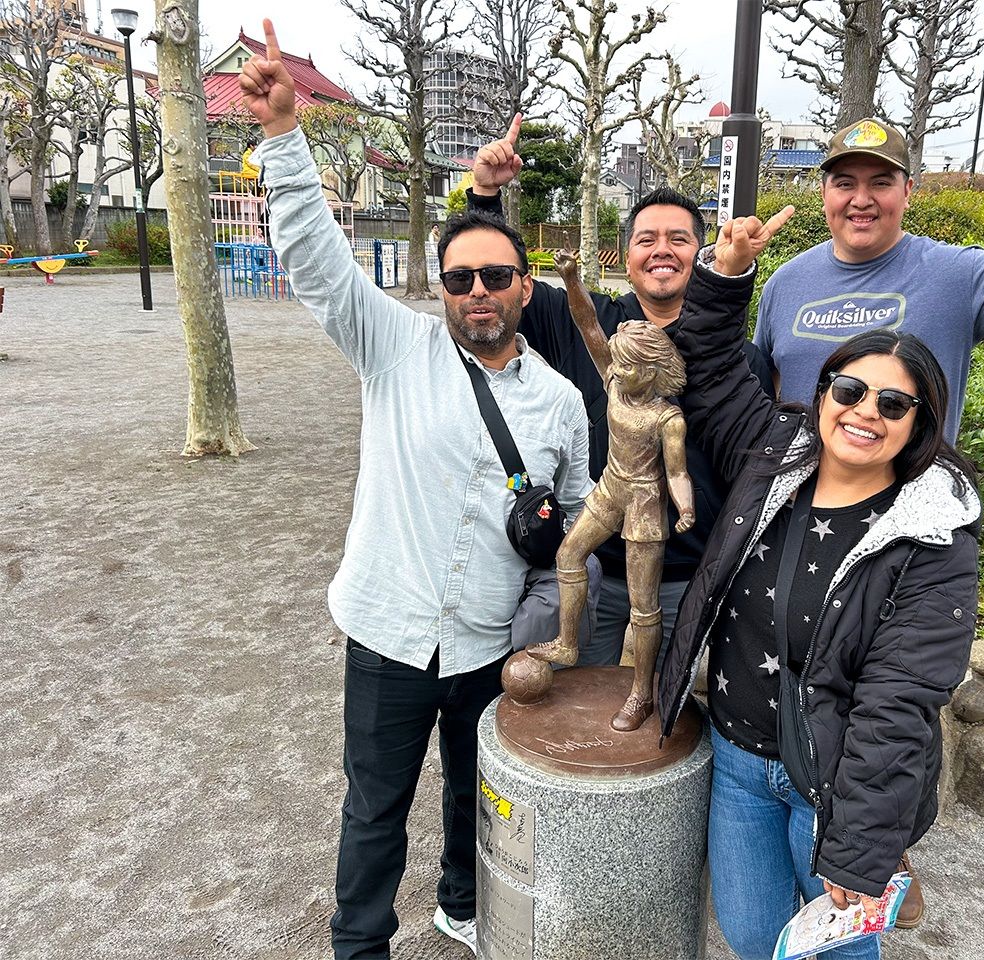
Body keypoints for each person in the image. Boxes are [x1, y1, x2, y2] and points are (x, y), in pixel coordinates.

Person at [238, 21, 591, 959]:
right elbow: (316, 262)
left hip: (484, 639)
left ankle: (461, 903)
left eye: (496, 275)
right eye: (459, 276)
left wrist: (558, 601)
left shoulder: (560, 401)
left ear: (526, 286)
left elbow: (578, 514)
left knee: (477, 790)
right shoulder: (393, 348)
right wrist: (282, 139)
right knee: (374, 803)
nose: (477, 289)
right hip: (391, 627)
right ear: (439, 287)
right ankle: (360, 943)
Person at [656, 210, 981, 960]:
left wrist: (861, 847)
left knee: (829, 953)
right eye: (849, 389)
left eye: (893, 404)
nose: (866, 411)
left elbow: (900, 697)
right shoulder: (775, 452)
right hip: (737, 764)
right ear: (824, 391)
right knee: (750, 935)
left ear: (919, 422)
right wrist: (726, 274)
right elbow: (704, 363)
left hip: (831, 786)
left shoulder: (933, 536)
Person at [467, 119, 774, 665]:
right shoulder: (600, 331)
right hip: (597, 571)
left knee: (669, 727)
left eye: (679, 239)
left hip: (693, 580)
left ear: (699, 254)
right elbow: (498, 284)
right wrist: (486, 197)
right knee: (581, 717)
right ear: (627, 254)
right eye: (646, 239)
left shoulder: (736, 359)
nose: (662, 250)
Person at [754, 108, 984, 442]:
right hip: (794, 507)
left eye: (880, 184)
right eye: (845, 184)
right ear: (824, 193)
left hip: (915, 508)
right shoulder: (784, 284)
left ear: (908, 191)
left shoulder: (957, 273)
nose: (861, 199)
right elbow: (765, 397)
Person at [528, 250, 695, 731]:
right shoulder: (617, 381)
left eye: (629, 368)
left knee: (644, 609)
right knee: (568, 554)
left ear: (654, 369)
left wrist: (683, 509)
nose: (618, 373)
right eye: (616, 366)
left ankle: (641, 691)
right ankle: (567, 641)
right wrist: (572, 279)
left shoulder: (669, 417)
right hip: (610, 488)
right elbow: (588, 327)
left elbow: (678, 473)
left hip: (645, 503)